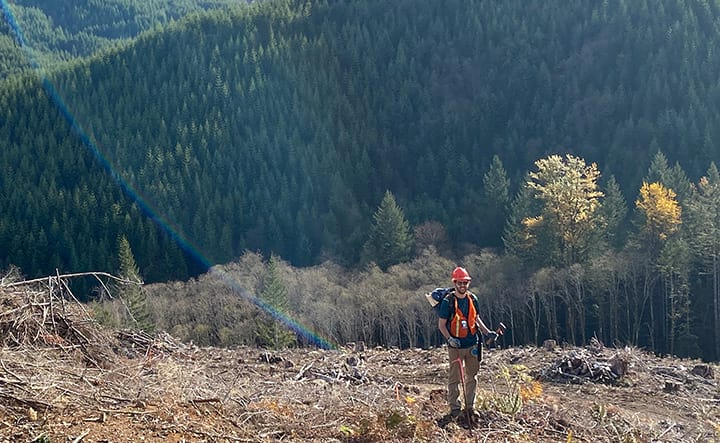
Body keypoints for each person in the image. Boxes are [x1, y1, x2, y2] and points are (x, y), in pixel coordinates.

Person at [437, 266, 496, 422]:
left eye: (465, 283)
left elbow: (475, 318)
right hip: (455, 347)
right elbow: (441, 325)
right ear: (455, 283)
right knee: (454, 378)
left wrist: (487, 332)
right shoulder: (448, 302)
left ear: (468, 283)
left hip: (472, 344)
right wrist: (450, 339)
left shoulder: (473, 299)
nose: (462, 286)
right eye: (460, 283)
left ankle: (470, 408)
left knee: (472, 377)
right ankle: (455, 409)